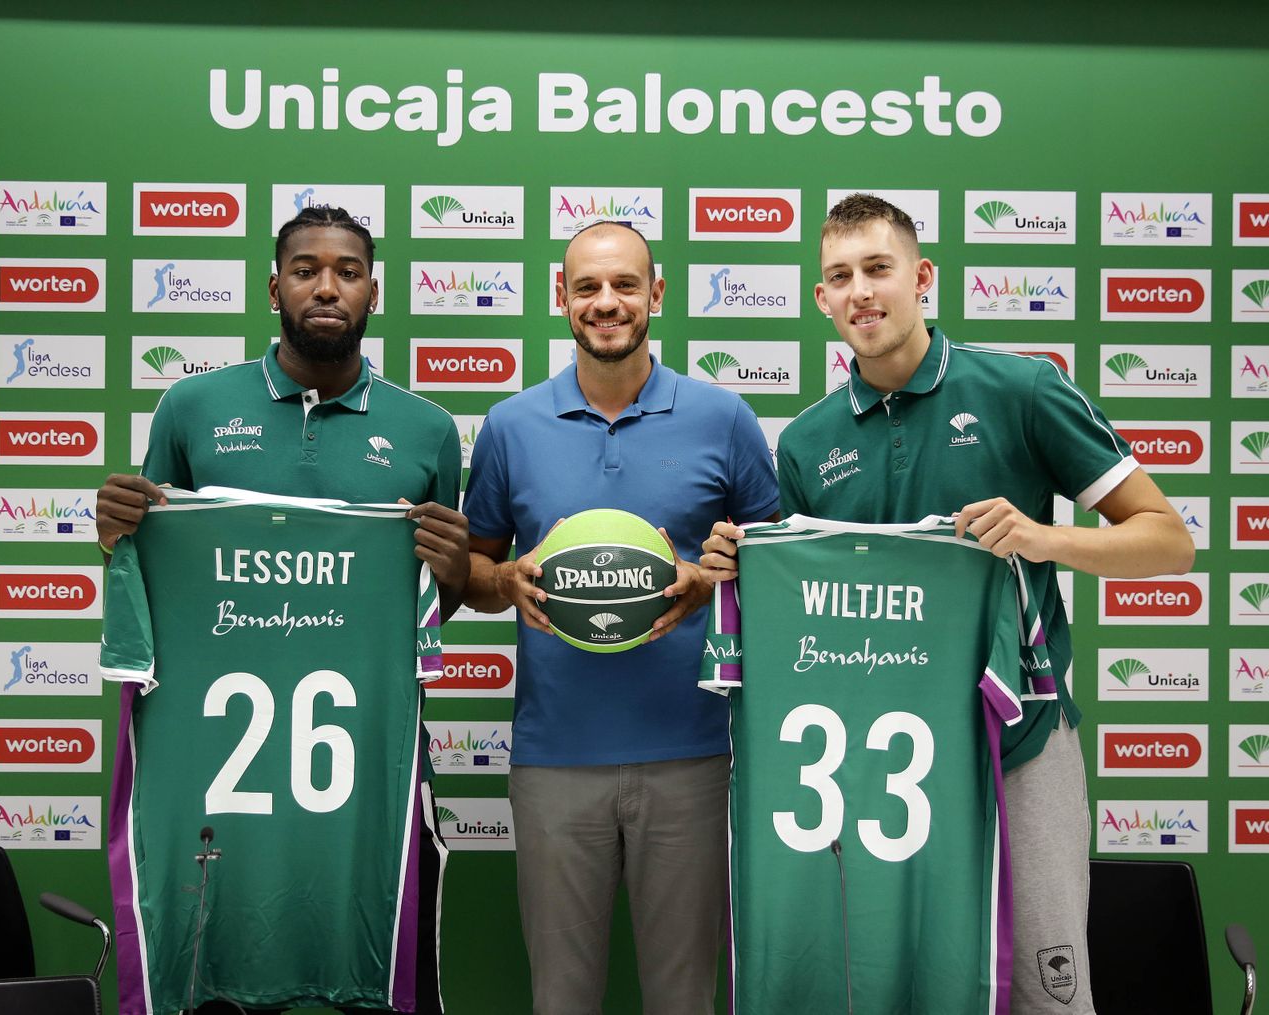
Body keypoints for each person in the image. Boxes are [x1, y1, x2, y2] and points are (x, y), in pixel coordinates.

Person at [701, 194, 1194, 1015]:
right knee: (890, 981)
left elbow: (1169, 540)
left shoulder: (1022, 389)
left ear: (922, 275)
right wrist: (737, 568)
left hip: (1020, 741)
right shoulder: (808, 443)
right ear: (821, 297)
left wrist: (1043, 537)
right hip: (878, 761)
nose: (861, 291)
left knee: (1047, 992)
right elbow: (808, 612)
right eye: (840, 276)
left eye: (878, 268)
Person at [95, 205, 469, 1015]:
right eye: (306, 270)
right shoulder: (191, 407)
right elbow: (157, 569)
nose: (326, 287)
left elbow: (427, 608)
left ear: (374, 292)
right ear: (274, 289)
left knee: (378, 978)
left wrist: (454, 570)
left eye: (347, 271)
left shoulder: (429, 430)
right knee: (218, 983)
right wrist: (115, 534)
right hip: (216, 774)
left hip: (369, 768)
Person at [461, 221, 780, 1015]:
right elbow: (471, 575)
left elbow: (779, 568)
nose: (607, 303)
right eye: (588, 287)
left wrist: (710, 581)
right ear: (561, 297)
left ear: (656, 293)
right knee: (561, 998)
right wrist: (505, 578)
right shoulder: (510, 426)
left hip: (693, 756)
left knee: (684, 998)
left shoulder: (723, 418)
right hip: (554, 759)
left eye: (625, 285)